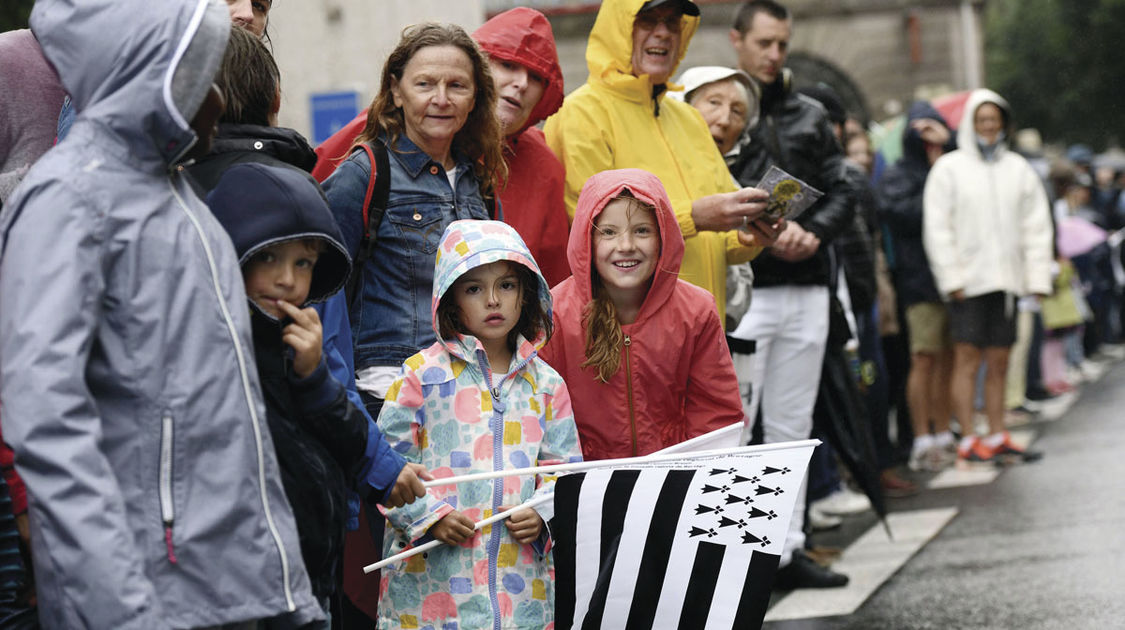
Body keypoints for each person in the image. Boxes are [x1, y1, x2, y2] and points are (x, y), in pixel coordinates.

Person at [0, 0, 323, 627]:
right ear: (147, 76)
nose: (221, 102)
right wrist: (118, 607)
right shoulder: (70, 200)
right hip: (149, 599)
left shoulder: (179, 197)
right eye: (202, 77)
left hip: (224, 589)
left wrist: (279, 587)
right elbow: (47, 422)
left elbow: (230, 422)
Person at [377, 219, 583, 630]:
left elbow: (566, 471)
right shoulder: (420, 376)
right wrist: (428, 516)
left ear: (526, 294)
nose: (493, 300)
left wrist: (542, 513)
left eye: (506, 285)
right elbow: (384, 464)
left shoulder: (546, 385)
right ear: (451, 300)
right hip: (430, 587)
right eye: (474, 288)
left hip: (520, 590)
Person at [205, 162, 377, 627]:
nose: (287, 280)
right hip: (245, 588)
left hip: (311, 577)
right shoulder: (211, 348)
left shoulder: (300, 344)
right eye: (268, 258)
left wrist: (314, 377)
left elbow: (351, 442)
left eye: (303, 263)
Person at [727, 0, 857, 589]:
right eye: (765, 43)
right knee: (736, 424)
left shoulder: (809, 113)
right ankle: (736, 557)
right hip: (746, 289)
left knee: (792, 425)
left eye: (782, 43)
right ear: (738, 42)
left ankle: (788, 547)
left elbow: (844, 188)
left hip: (805, 285)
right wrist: (764, 237)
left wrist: (815, 232)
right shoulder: (718, 108)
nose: (775, 54)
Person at [544, 0, 779, 326]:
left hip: (705, 329)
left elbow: (722, 238)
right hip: (631, 336)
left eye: (672, 23)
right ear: (619, 27)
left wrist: (749, 235)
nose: (664, 33)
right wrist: (694, 217)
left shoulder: (688, 119)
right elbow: (596, 230)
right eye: (648, 21)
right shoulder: (582, 113)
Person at [322, 22, 504, 418]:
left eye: (457, 86)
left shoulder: (481, 184)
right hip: (388, 393)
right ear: (396, 91)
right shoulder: (366, 173)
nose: (441, 98)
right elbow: (321, 289)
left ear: (475, 99)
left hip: (470, 395)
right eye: (425, 84)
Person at [540, 168, 745, 460]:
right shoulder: (554, 314)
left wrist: (692, 476)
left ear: (664, 236)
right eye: (608, 232)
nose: (626, 246)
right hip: (581, 481)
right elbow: (541, 415)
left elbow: (715, 413)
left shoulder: (696, 310)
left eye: (642, 231)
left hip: (671, 478)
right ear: (586, 238)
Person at [923, 88, 1054, 465]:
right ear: (970, 124)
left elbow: (1036, 227)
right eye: (981, 120)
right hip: (968, 281)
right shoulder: (950, 168)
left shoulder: (1018, 168)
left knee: (1000, 360)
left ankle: (997, 434)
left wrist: (1036, 279)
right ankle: (967, 438)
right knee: (966, 358)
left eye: (994, 120)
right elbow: (937, 226)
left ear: (1004, 124)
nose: (988, 126)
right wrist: (951, 278)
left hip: (1008, 281)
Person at [473, 7, 572, 287]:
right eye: (508, 64)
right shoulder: (408, 126)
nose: (521, 83)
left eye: (537, 77)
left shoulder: (544, 168)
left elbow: (555, 285)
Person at [670, 65, 760, 167]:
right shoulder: (653, 164)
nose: (724, 121)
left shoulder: (728, 183)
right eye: (714, 102)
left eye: (736, 111)